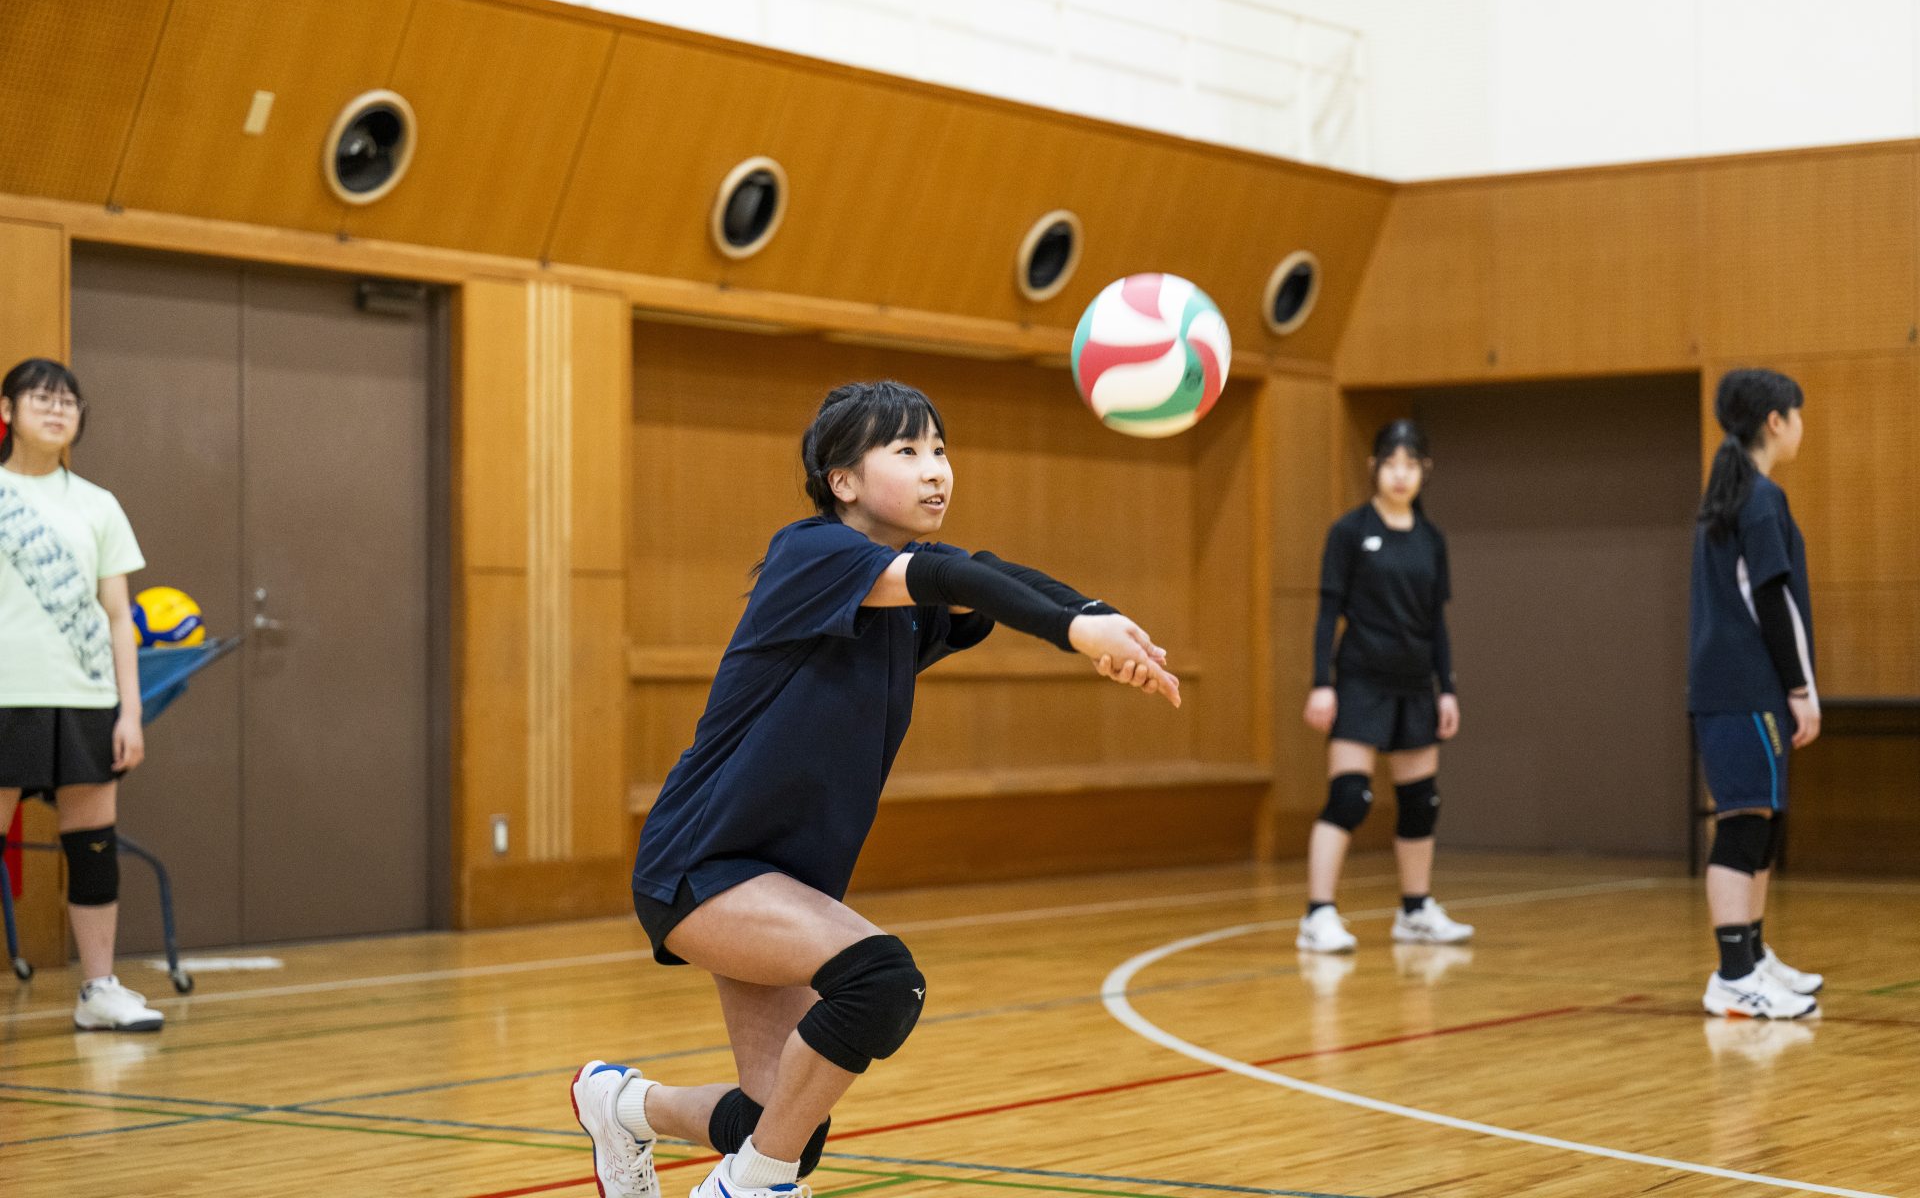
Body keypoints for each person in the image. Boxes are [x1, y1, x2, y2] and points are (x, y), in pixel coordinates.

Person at [571, 380, 1181, 1198]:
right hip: (702, 862)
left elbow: (986, 573)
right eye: (907, 451)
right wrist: (1077, 630)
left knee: (781, 1115)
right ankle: (749, 1188)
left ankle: (621, 1105)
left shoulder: (902, 600)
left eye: (940, 449)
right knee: (884, 982)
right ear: (843, 481)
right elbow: (948, 576)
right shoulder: (811, 555)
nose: (936, 470)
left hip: (780, 878)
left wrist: (1102, 620)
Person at [0, 357, 160, 1031]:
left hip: (88, 698)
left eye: (68, 400)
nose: (57, 409)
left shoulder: (99, 505)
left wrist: (130, 710)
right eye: (41, 398)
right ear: (7, 412)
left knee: (92, 843)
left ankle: (99, 991)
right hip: (8, 695)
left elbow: (119, 615)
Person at [1297, 418, 1472, 954]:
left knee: (1421, 802)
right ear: (1374, 467)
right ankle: (1317, 915)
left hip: (1415, 683)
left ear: (1424, 471)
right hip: (1360, 680)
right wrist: (1321, 683)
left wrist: (1447, 688)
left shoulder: (1431, 540)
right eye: (1390, 464)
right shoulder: (1349, 533)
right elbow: (1329, 612)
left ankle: (1415, 911)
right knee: (1351, 796)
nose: (1400, 475)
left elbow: (1435, 621)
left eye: (1410, 465)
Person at [1690, 368, 1822, 1020]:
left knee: (1758, 826)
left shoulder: (1735, 496)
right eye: (1799, 415)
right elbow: (1770, 599)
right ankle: (1733, 975)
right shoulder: (1760, 499)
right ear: (1776, 421)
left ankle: (1754, 956)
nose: (1802, 426)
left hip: (1737, 688)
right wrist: (1799, 687)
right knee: (1742, 829)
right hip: (1746, 688)